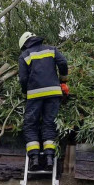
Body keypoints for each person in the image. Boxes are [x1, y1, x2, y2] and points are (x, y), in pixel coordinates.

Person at [17, 31, 69, 171]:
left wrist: (25, 92)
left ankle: (34, 158)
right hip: (53, 93)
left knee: (30, 124)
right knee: (49, 123)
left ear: (25, 44)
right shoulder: (51, 49)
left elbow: (23, 79)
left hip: (35, 95)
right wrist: (63, 80)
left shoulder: (25, 55)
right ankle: (49, 158)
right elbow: (63, 62)